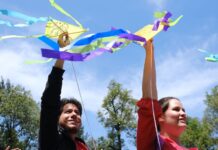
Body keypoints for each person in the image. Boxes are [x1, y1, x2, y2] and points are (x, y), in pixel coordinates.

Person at [136, 39, 198, 150]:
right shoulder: (153, 144)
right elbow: (149, 99)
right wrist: (150, 52)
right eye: (176, 109)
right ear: (160, 117)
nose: (183, 113)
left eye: (183, 110)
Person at [39, 32, 89, 150]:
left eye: (77, 112)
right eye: (68, 111)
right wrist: (62, 54)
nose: (74, 115)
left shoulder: (82, 146)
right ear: (57, 117)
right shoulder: (52, 140)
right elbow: (50, 101)